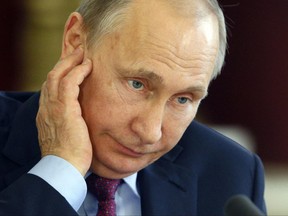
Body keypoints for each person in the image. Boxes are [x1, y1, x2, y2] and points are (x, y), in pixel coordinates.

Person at [0, 0, 266, 215]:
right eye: (137, 84)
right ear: (76, 41)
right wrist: (61, 169)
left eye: (183, 99)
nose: (150, 133)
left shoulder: (232, 174)